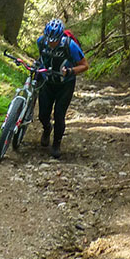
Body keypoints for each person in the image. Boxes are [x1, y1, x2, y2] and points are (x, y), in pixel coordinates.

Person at [36, 18, 89, 159]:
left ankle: (56, 143)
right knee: (42, 114)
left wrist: (71, 71)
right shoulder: (41, 41)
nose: (51, 43)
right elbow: (41, 57)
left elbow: (85, 65)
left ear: (60, 37)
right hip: (47, 82)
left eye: (54, 40)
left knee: (59, 115)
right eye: (49, 40)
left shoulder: (70, 45)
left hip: (65, 85)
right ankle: (47, 128)